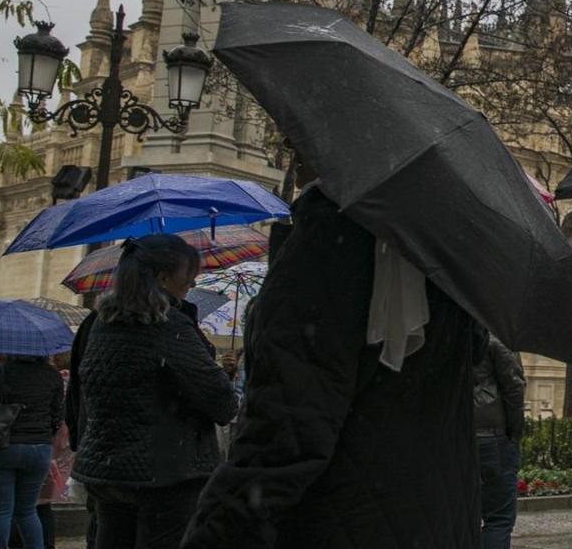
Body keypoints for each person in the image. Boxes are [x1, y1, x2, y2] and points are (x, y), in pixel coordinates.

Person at [181, 179, 481, 549]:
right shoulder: (448, 244)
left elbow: (287, 428)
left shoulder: (333, 234)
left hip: (344, 516)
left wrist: (215, 535)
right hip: (433, 519)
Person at [69, 234, 237, 549]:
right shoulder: (168, 325)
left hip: (109, 470)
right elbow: (221, 402)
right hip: (166, 473)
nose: (192, 281)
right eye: (188, 273)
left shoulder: (102, 323)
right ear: (162, 276)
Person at [0, 353, 62, 549]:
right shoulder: (52, 375)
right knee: (27, 511)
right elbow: (57, 414)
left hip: (0, 446)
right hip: (38, 448)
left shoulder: (1, 372)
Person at [473, 333, 527, 549]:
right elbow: (514, 388)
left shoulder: (447, 326)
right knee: (498, 519)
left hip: (456, 435)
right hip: (492, 437)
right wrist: (514, 434)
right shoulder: (497, 336)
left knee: (461, 516)